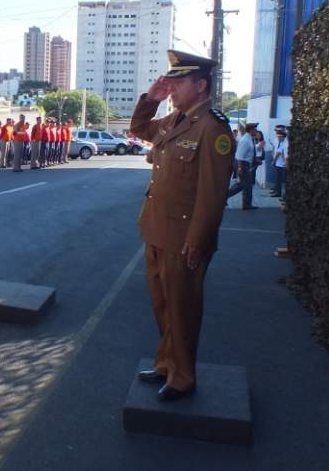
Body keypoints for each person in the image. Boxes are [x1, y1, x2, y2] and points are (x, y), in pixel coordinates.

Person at [130, 50, 234, 402]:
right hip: (157, 230)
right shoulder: (173, 120)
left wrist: (198, 240)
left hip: (184, 238)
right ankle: (165, 363)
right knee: (162, 305)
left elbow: (212, 193)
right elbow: (139, 129)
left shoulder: (212, 127)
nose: (171, 88)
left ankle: (183, 376)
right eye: (169, 82)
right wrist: (151, 100)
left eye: (178, 83)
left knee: (183, 309)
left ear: (201, 85)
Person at [234, 122, 257, 210]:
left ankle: (247, 205)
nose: (256, 131)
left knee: (247, 186)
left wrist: (255, 161)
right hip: (242, 164)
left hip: (246, 164)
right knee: (243, 185)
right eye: (255, 129)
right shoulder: (245, 140)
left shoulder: (250, 139)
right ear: (251, 130)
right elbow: (240, 155)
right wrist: (240, 168)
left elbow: (250, 153)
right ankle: (224, 197)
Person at [271, 128, 288, 199]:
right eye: (278, 136)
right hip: (279, 164)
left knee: (284, 180)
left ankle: (282, 194)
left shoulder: (285, 143)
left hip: (283, 164)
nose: (278, 138)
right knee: (278, 179)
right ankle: (278, 192)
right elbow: (275, 151)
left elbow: (279, 153)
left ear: (284, 137)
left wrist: (273, 161)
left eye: (280, 137)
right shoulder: (281, 143)